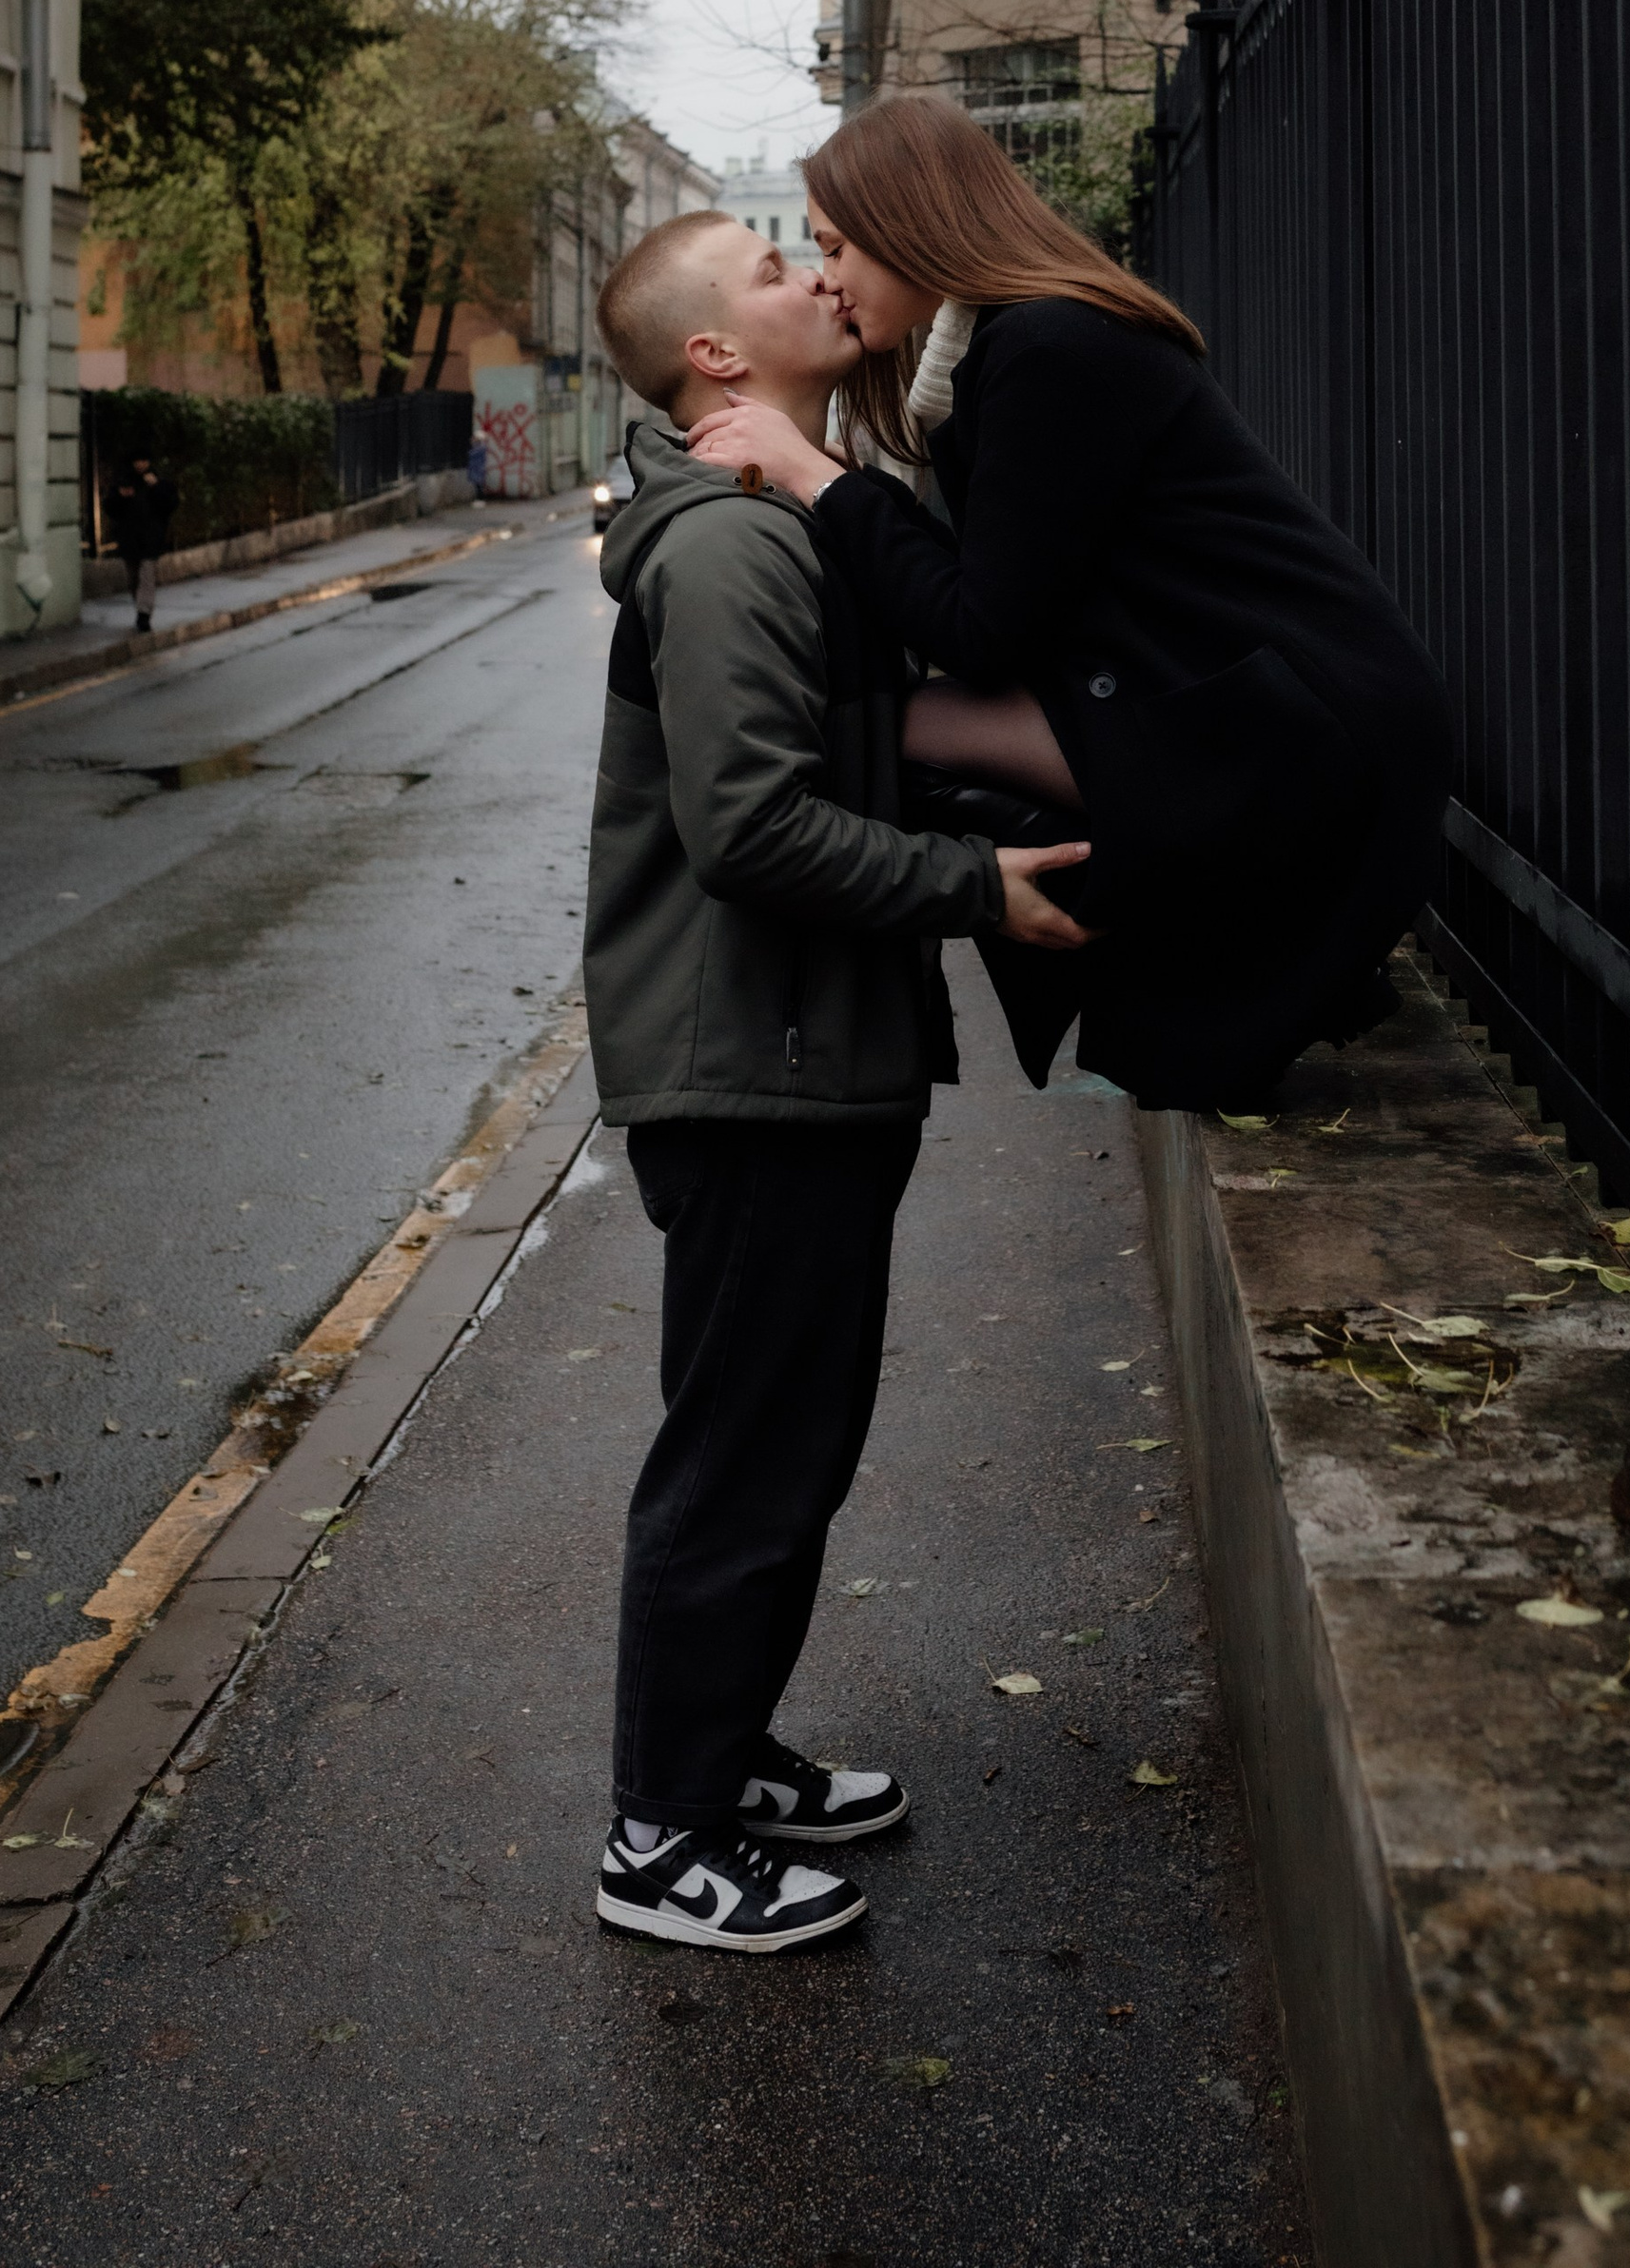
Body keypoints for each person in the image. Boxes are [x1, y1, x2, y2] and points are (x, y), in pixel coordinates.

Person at [583, 209, 1093, 1953]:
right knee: (743, 1453)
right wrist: (979, 894)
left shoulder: (778, 513)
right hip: (753, 1067)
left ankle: (720, 1759)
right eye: (773, 265)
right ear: (714, 355)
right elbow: (750, 829)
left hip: (802, 1054)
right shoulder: (726, 552)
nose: (817, 276)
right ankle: (660, 1838)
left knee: (793, 1440)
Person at [683, 92, 1456, 1112]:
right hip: (1244, 706)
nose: (828, 275)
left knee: (876, 741)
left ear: (914, 224)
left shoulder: (1051, 347)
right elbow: (1002, 597)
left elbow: (983, 629)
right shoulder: (1021, 347)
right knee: (885, 735)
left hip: (1305, 733)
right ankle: (1191, 940)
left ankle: (1135, 927)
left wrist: (820, 480)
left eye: (835, 245)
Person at [104, 451, 178, 635]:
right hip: (130, 538)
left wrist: (156, 487)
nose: (140, 465)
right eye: (137, 461)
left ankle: (144, 614)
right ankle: (140, 608)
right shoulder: (124, 481)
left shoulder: (158, 480)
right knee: (133, 577)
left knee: (147, 575)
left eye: (144, 460)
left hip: (151, 537)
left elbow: (170, 504)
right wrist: (121, 496)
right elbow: (110, 507)